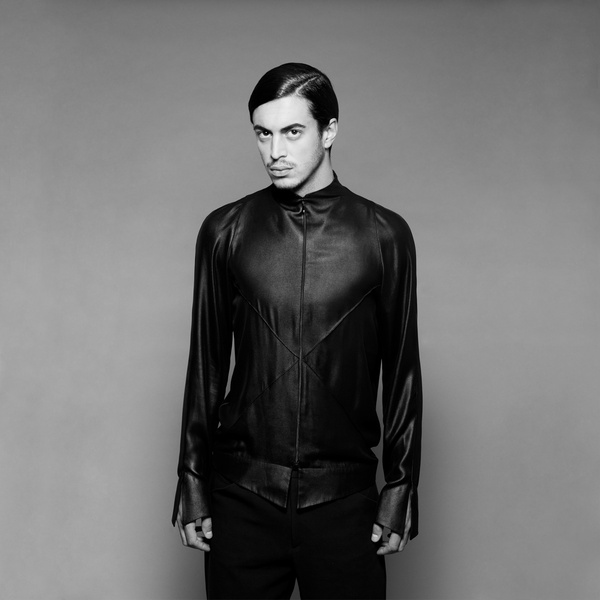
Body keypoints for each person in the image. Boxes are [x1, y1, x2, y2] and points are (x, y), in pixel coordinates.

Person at [172, 62, 422, 600]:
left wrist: (402, 484)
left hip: (344, 504)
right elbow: (205, 364)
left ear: (329, 131)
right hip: (242, 499)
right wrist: (191, 477)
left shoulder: (385, 235)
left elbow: (402, 371)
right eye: (263, 134)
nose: (274, 151)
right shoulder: (224, 230)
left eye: (291, 131)